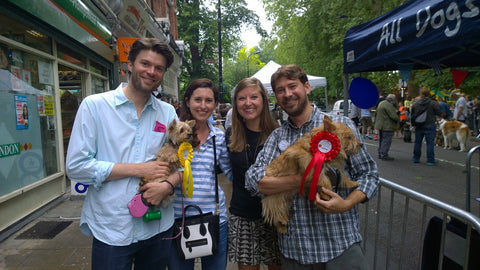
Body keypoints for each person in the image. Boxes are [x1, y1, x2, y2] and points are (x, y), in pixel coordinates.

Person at [245, 65, 379, 269]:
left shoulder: (341, 126)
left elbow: (369, 175)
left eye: (292, 86)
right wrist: (305, 179)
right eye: (280, 90)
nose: (287, 94)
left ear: (307, 87)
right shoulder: (277, 137)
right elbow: (253, 179)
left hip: (340, 248)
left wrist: (347, 203)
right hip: (295, 253)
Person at [66, 38, 178, 270]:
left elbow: (183, 163)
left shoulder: (167, 112)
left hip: (157, 225)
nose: (151, 72)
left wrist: (168, 185)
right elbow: (76, 167)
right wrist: (138, 169)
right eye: (145, 64)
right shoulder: (94, 106)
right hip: (112, 228)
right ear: (129, 64)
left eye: (159, 68)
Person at [168, 78, 233, 270]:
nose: (203, 106)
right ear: (187, 101)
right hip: (177, 220)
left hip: (214, 219)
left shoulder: (218, 136)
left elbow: (230, 172)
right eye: (198, 99)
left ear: (215, 104)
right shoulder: (174, 135)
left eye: (209, 100)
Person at [226, 77, 281, 270]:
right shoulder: (230, 135)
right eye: (242, 98)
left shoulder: (279, 134)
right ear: (236, 104)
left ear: (264, 101)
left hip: (276, 215)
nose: (248, 103)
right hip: (243, 215)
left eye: (254, 97)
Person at [411, 88, 442, 165]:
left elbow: (412, 115)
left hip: (419, 125)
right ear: (429, 94)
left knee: (417, 142)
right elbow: (439, 112)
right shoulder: (433, 103)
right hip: (430, 124)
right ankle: (430, 160)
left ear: (421, 94)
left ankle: (416, 158)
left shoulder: (416, 103)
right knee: (430, 143)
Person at [374, 94, 400, 160]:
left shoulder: (381, 103)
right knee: (386, 141)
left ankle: (380, 153)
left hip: (380, 125)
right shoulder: (388, 105)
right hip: (387, 125)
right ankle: (384, 154)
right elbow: (393, 116)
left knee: (382, 140)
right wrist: (398, 118)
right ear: (392, 100)